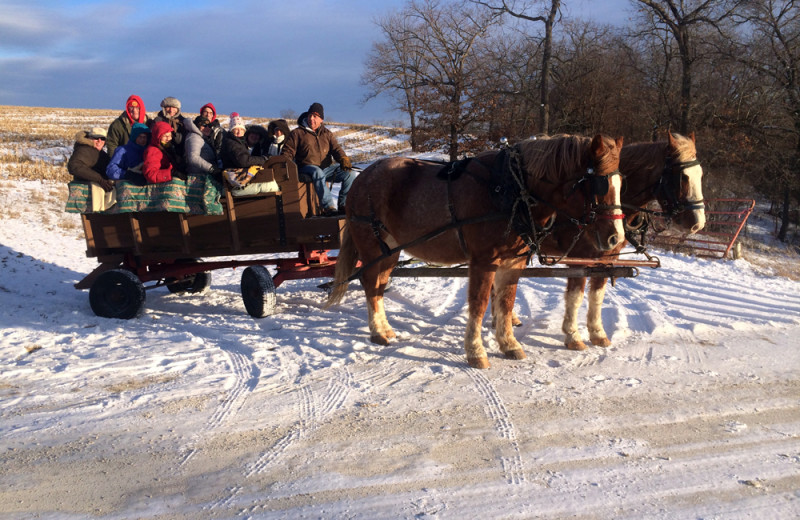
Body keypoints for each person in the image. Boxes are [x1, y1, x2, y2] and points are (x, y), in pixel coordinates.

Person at [281, 102, 354, 215]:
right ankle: (328, 207)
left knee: (350, 174)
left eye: (315, 116)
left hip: (326, 168)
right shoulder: (297, 133)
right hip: (306, 168)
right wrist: (286, 166)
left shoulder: (327, 134)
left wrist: (343, 159)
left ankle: (344, 205)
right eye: (310, 115)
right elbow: (287, 152)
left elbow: (336, 149)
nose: (311, 119)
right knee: (317, 172)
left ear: (321, 120)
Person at [67, 127, 114, 211]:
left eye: (102, 139)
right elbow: (74, 167)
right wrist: (99, 179)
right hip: (86, 182)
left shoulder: (101, 153)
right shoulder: (83, 150)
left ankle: (108, 213)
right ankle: (98, 214)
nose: (99, 141)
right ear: (89, 138)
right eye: (96, 138)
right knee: (98, 189)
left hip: (98, 181)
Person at [184, 116, 223, 180]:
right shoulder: (194, 137)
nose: (207, 128)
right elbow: (193, 157)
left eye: (209, 126)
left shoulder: (202, 137)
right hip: (197, 177)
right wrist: (211, 169)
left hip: (203, 174)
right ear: (197, 126)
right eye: (204, 125)